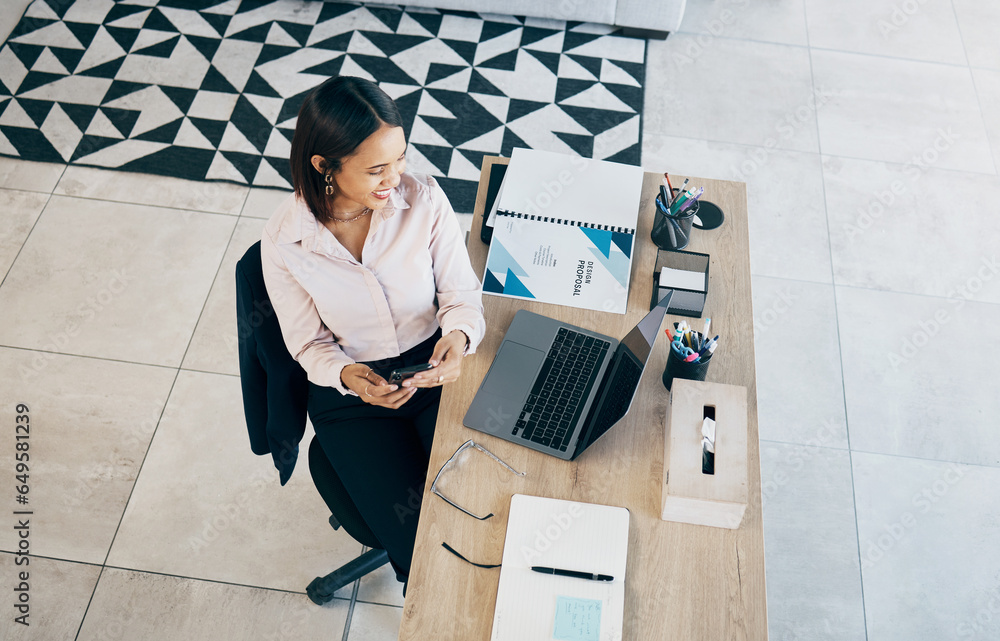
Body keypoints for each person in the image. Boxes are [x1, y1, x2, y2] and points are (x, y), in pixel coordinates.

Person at [260, 76, 485, 582]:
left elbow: (460, 295)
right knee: (424, 550)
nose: (395, 177)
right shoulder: (284, 241)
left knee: (478, 506)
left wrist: (459, 337)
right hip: (353, 393)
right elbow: (307, 343)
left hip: (432, 367)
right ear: (325, 167)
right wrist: (346, 374)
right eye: (376, 169)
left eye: (400, 157)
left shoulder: (423, 200)